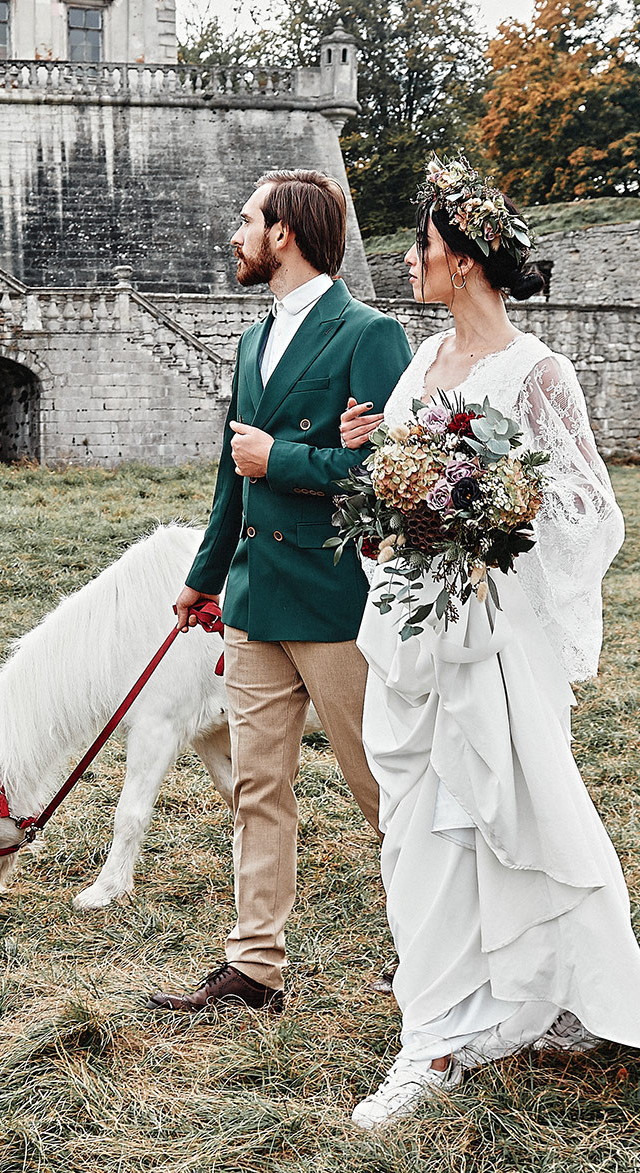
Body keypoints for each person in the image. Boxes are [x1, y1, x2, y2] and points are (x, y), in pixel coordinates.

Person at [339, 157, 640, 1126]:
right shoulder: (420, 358)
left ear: (463, 259)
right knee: (417, 830)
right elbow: (394, 474)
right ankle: (464, 1008)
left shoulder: (538, 371)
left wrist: (484, 506)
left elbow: (587, 506)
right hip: (409, 626)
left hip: (491, 634)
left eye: (421, 246)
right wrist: (384, 475)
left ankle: (446, 1038)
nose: (408, 260)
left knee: (497, 816)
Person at [150, 169, 413, 1013]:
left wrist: (283, 459)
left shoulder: (370, 334)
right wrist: (202, 576)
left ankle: (431, 949)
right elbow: (233, 473)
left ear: (284, 234)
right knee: (256, 787)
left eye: (247, 220)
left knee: (383, 788)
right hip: (255, 598)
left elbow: (392, 473)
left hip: (337, 602)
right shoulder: (250, 339)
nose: (235, 235)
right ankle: (254, 966)